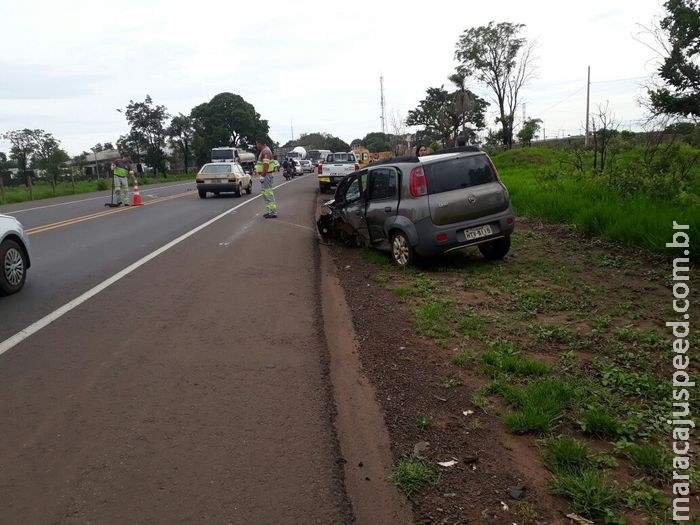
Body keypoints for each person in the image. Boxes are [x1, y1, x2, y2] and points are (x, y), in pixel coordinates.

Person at [255, 138, 277, 218]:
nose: (256, 145)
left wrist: (263, 175)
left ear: (261, 143)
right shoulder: (264, 151)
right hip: (266, 175)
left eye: (257, 143)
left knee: (268, 193)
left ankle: (273, 212)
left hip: (266, 175)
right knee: (266, 193)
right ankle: (270, 211)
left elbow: (266, 164)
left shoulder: (266, 151)